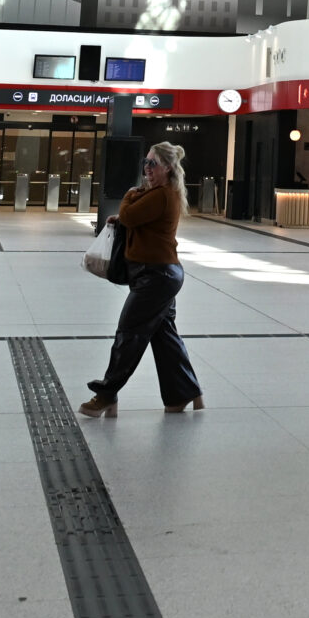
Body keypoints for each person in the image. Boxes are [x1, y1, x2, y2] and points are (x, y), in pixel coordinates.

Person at [79, 142, 203, 417]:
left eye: (153, 163)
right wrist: (128, 211)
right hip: (160, 274)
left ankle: (106, 394)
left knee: (128, 334)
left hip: (156, 277)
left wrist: (129, 195)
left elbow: (128, 214)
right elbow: (135, 220)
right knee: (165, 337)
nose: (147, 168)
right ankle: (184, 392)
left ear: (167, 168)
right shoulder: (158, 194)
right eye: (145, 163)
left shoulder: (160, 195)